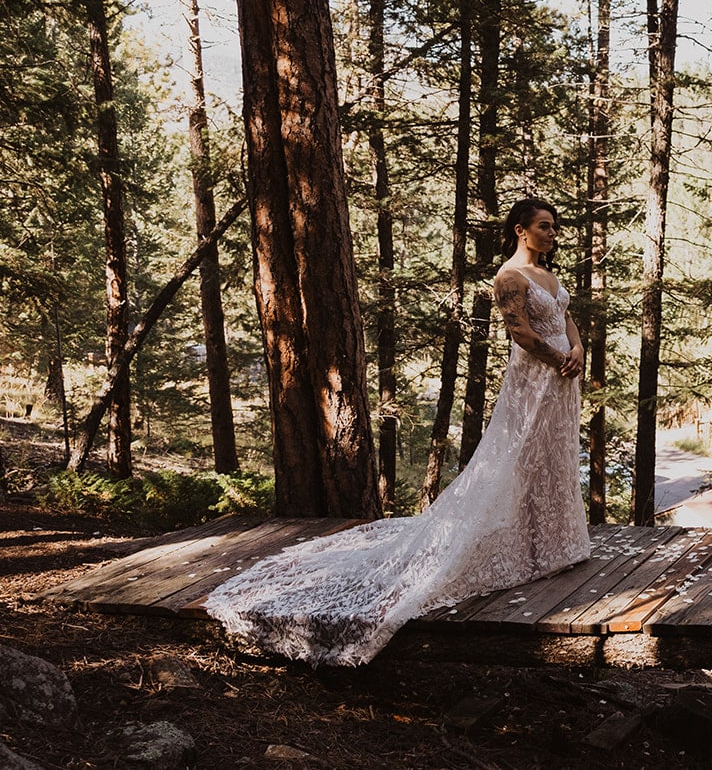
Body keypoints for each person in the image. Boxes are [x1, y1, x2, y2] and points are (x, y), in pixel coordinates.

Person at [205, 198, 592, 665]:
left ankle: (554, 542)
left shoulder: (550, 276)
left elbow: (565, 319)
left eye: (554, 227)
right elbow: (521, 334)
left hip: (562, 383)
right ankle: (523, 544)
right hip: (534, 381)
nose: (553, 234)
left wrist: (579, 352)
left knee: (554, 458)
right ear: (519, 231)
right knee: (519, 457)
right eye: (545, 227)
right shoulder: (510, 278)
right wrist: (558, 360)